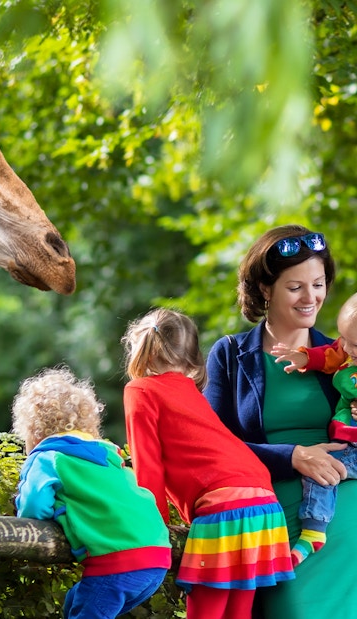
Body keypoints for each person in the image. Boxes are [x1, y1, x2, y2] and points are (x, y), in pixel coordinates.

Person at [204, 224, 357, 619]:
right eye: (296, 287)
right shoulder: (231, 355)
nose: (312, 298)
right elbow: (213, 446)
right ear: (265, 290)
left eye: (319, 284)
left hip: (347, 515)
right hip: (275, 523)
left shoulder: (342, 354)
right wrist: (292, 456)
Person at [121, 308, 294, 619]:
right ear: (191, 355)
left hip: (225, 505)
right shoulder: (191, 391)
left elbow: (148, 466)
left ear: (139, 350)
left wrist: (155, 527)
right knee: (237, 614)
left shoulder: (139, 390)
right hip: (265, 502)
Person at [12, 365, 172, 619]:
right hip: (157, 557)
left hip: (116, 565)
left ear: (32, 430)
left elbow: (34, 505)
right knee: (76, 601)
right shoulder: (108, 454)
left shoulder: (47, 457)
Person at [271, 291, 357, 566]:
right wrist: (303, 358)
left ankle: (313, 530)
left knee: (324, 471)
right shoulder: (347, 352)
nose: (347, 347)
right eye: (345, 339)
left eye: (355, 344)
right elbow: (328, 355)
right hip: (347, 439)